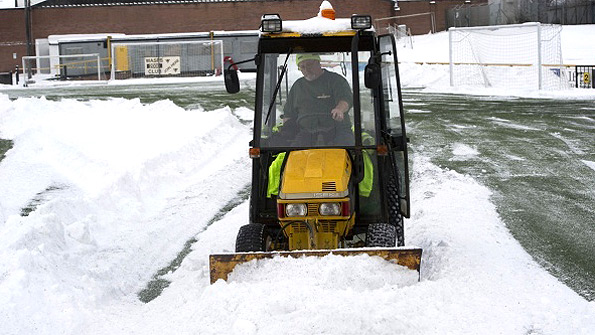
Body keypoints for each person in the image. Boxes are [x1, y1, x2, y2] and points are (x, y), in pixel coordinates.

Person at [282, 53, 354, 146]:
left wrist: (339, 109)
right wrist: (287, 130)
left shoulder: (335, 80)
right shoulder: (297, 86)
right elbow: (288, 114)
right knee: (290, 153)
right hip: (306, 133)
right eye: (302, 67)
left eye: (309, 65)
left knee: (348, 149)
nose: (306, 70)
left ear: (318, 62)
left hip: (337, 130)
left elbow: (345, 99)